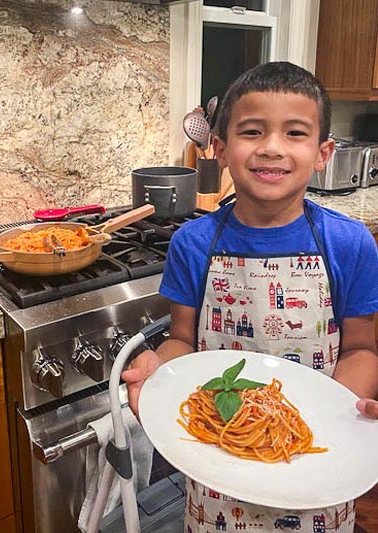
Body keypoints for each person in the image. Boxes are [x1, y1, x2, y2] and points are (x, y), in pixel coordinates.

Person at [122, 61, 378, 532]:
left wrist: (340, 420)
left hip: (314, 462)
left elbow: (361, 348)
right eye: (252, 131)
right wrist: (161, 368)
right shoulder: (193, 243)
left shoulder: (349, 242)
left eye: (295, 133)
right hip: (218, 464)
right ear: (219, 149)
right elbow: (182, 340)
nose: (272, 148)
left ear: (324, 152)